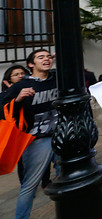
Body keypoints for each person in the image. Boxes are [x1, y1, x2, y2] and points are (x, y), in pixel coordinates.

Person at [1, 50, 58, 219]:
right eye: (40, 57)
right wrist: (17, 100)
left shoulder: (56, 78)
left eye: (48, 56)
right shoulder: (21, 85)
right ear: (31, 65)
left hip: (61, 136)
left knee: (70, 175)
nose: (46, 59)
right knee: (29, 186)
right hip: (36, 141)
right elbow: (2, 107)